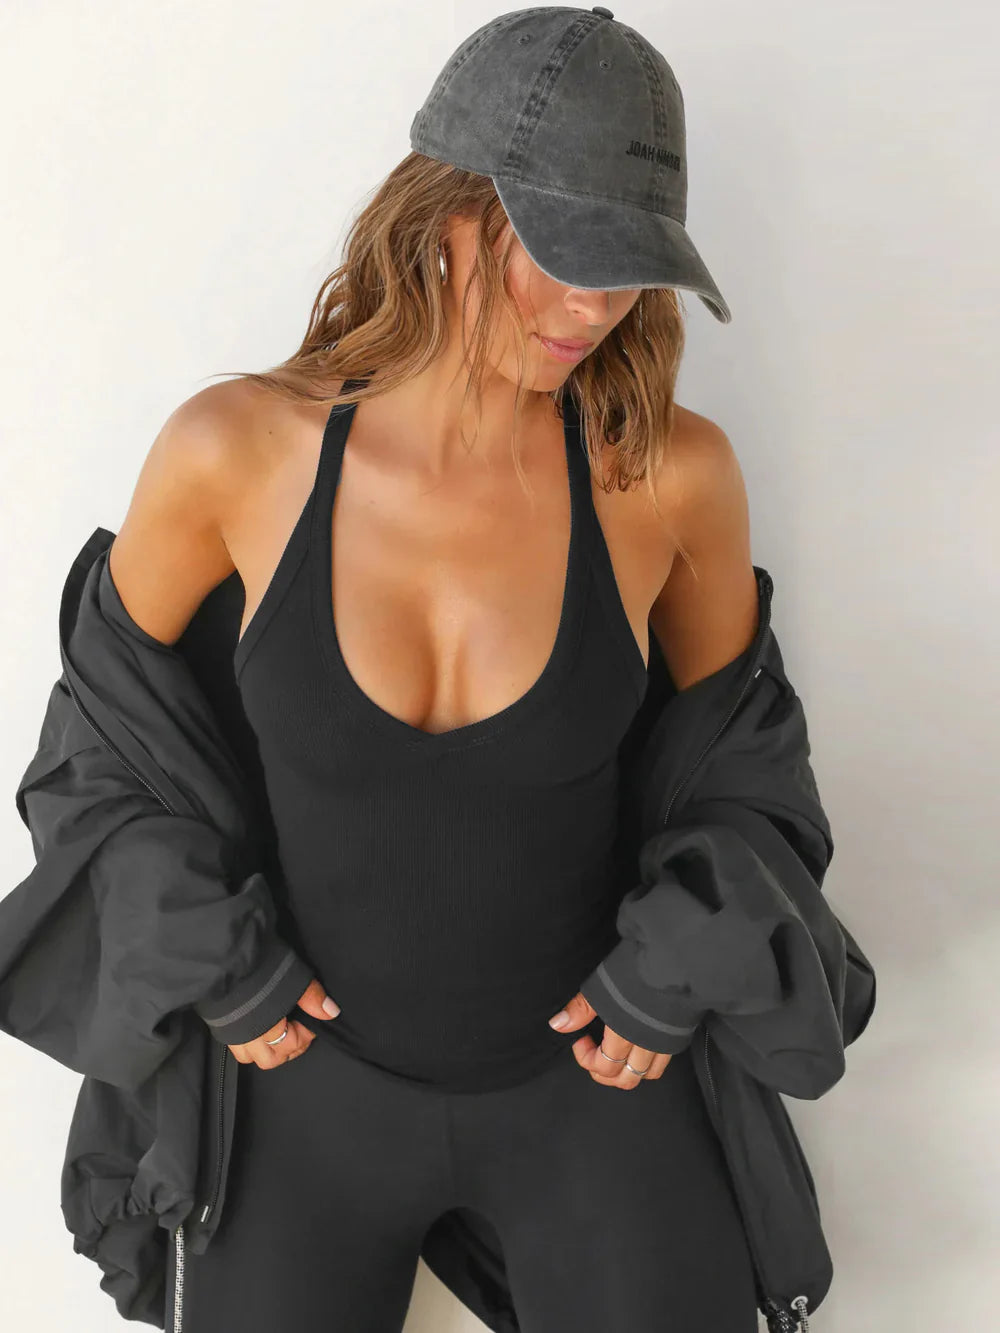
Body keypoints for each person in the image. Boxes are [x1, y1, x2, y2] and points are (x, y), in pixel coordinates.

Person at [107, 7, 763, 1330]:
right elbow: (109, 747)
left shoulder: (667, 476)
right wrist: (216, 956)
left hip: (598, 1081)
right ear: (445, 216)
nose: (593, 309)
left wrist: (673, 963)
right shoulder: (234, 451)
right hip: (302, 1087)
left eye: (628, 269)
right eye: (560, 256)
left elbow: (742, 769)